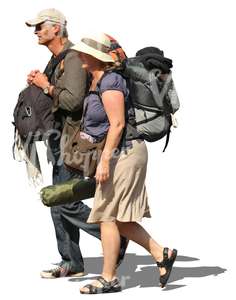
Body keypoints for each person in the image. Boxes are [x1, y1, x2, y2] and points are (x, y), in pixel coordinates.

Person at [70, 33, 178, 294]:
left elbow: (117, 124)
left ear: (98, 57)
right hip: (122, 152)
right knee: (116, 217)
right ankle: (160, 252)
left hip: (125, 153)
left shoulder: (111, 81)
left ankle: (109, 278)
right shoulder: (100, 79)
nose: (80, 55)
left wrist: (104, 161)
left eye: (85, 51)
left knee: (107, 215)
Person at [25, 9, 127, 279]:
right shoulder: (56, 59)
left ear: (56, 29)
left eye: (39, 27)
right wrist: (38, 84)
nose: (35, 32)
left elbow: (72, 102)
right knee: (58, 201)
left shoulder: (71, 58)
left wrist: (46, 86)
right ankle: (71, 261)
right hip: (61, 139)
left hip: (73, 142)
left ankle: (115, 237)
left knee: (64, 200)